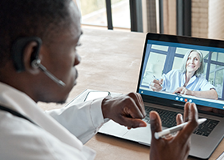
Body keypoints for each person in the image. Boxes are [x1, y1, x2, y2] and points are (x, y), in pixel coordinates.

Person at [0, 0, 199, 160]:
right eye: (74, 46)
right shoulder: (31, 150)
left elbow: (41, 125)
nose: (78, 59)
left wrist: (103, 107)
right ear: (33, 56)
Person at [151, 50, 218, 100]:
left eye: (196, 59)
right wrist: (155, 85)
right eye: (189, 58)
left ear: (200, 64)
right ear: (185, 61)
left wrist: (191, 93)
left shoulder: (200, 80)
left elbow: (214, 95)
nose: (191, 62)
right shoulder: (174, 73)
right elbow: (158, 83)